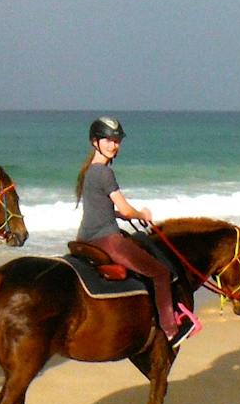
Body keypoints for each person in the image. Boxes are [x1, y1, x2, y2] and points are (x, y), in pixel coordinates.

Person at [74, 116, 197, 347]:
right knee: (160, 273)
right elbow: (125, 209)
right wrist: (141, 214)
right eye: (107, 140)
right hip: (108, 241)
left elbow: (102, 207)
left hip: (85, 240)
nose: (113, 145)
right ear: (95, 142)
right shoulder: (105, 173)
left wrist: (120, 215)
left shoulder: (89, 172)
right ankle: (170, 330)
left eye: (116, 140)